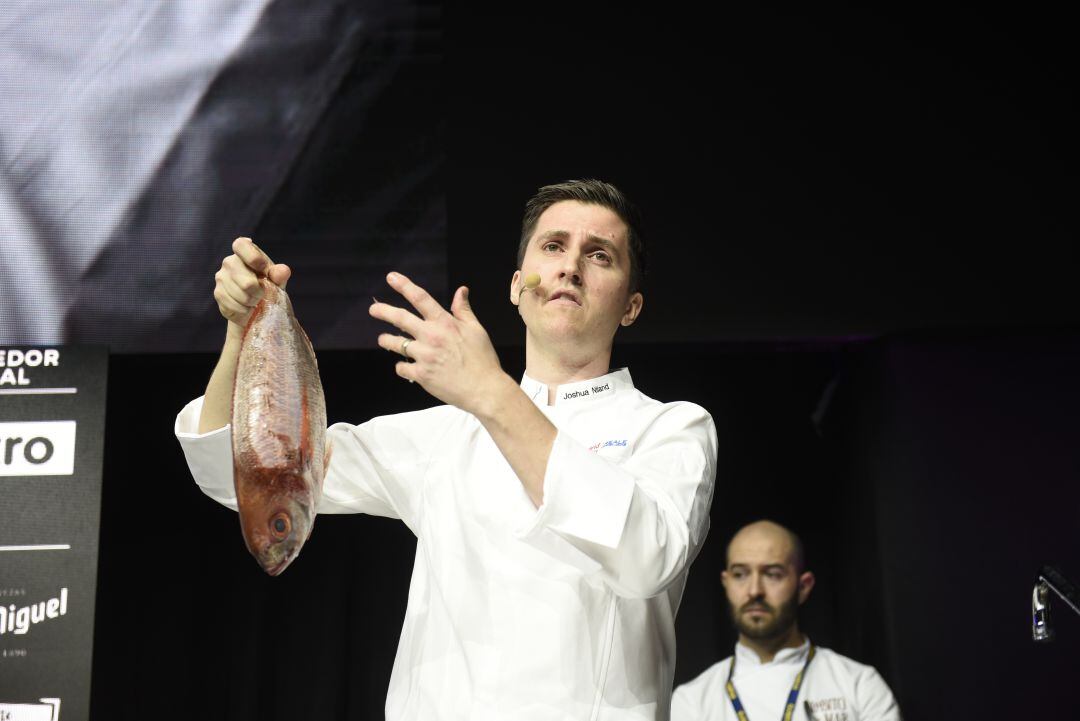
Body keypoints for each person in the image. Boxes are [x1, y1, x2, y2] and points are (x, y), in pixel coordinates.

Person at [175, 179, 717, 720]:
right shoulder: (442, 435)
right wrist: (241, 332)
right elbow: (239, 475)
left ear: (631, 306)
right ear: (515, 286)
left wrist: (491, 392)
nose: (570, 267)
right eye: (553, 246)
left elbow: (647, 558)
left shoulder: (672, 428)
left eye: (599, 256)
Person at [671, 520, 901, 720]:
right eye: (740, 574)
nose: (754, 591)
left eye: (772, 574)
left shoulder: (859, 685)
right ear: (726, 582)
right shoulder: (691, 702)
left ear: (803, 587)